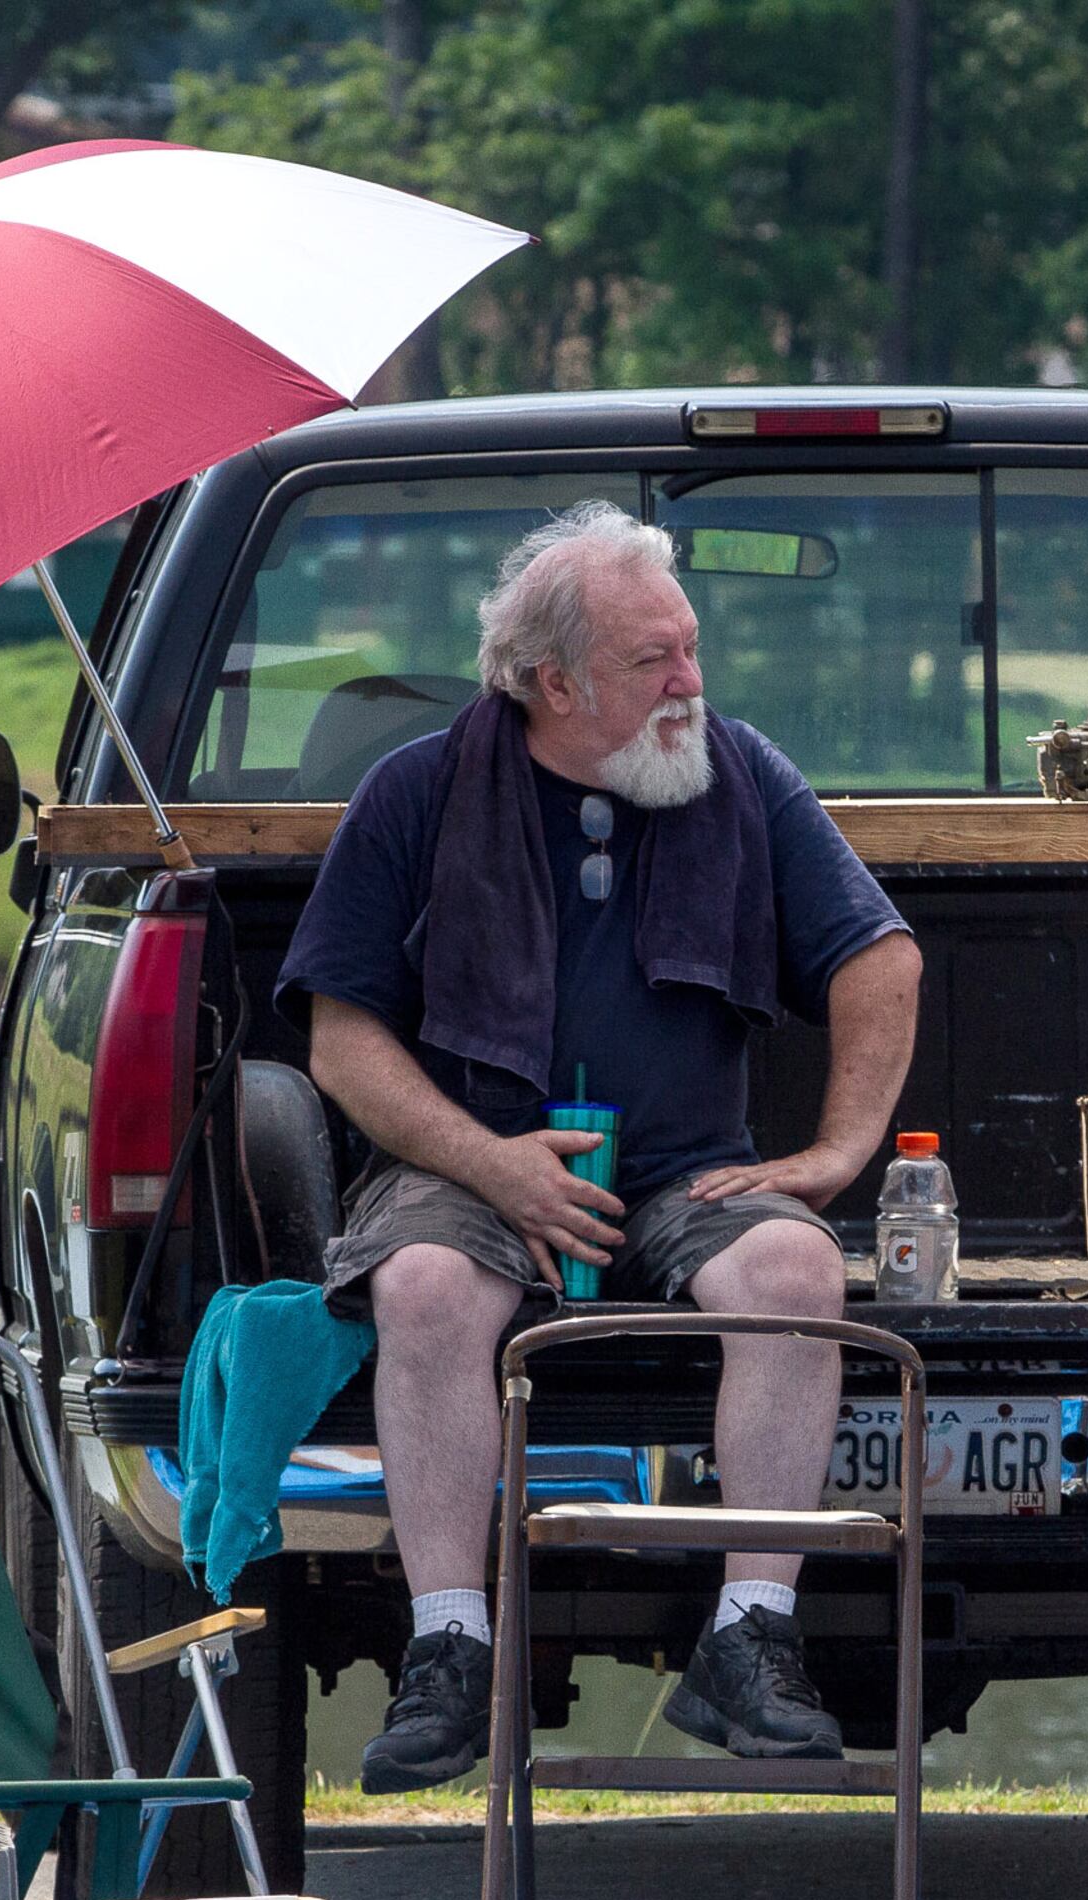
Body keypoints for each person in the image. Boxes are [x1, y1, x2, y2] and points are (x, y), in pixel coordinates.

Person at [280, 503, 922, 1793]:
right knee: (422, 1285)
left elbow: (881, 957)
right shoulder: (414, 792)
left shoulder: (743, 773)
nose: (690, 683)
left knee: (797, 1276)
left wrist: (838, 1151)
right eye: (652, 662)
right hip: (465, 1165)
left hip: (693, 1168)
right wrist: (493, 1163)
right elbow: (342, 1048)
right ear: (551, 682)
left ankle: (751, 1635)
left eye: (691, 649)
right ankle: (451, 1650)